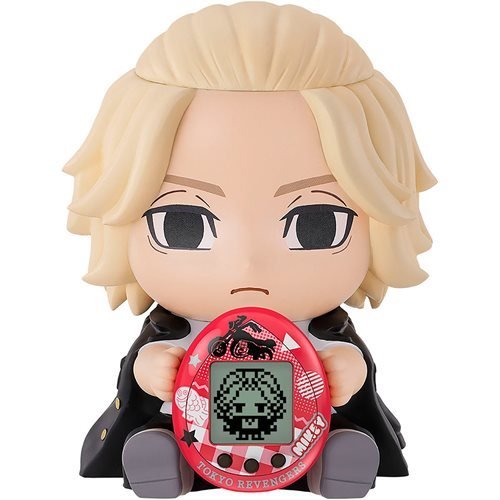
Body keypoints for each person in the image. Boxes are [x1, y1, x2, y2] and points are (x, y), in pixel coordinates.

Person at [65, 2, 436, 498]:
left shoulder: (321, 333)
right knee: (161, 433)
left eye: (317, 224)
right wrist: (151, 370)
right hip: (195, 436)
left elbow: (350, 368)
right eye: (182, 225)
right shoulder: (174, 332)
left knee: (336, 434)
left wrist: (349, 372)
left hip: (302, 438)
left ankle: (333, 461)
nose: (247, 263)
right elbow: (139, 374)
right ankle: (166, 461)